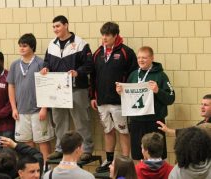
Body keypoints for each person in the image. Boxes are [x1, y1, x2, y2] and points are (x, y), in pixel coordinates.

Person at [40, 15, 94, 161]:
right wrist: (45, 68)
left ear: (66, 25)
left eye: (58, 26)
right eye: (53, 27)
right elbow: (47, 62)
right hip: (57, 89)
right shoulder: (52, 45)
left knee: (81, 121)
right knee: (59, 120)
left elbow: (89, 65)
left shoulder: (80, 43)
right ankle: (60, 148)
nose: (55, 29)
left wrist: (78, 72)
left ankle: (86, 149)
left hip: (77, 88)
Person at [90, 21, 138, 173]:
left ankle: (125, 162)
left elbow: (133, 76)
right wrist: (93, 96)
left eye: (108, 35)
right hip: (102, 101)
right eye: (103, 35)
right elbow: (93, 76)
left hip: (120, 102)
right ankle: (109, 160)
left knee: (123, 131)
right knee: (107, 131)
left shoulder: (126, 52)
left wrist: (127, 93)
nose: (104, 38)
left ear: (115, 36)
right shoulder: (98, 52)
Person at [116, 46, 175, 161]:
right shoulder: (133, 75)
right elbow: (129, 98)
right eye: (139, 58)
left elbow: (171, 98)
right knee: (138, 156)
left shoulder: (161, 76)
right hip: (136, 121)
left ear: (152, 58)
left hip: (154, 120)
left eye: (144, 58)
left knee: (157, 155)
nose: (141, 60)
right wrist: (121, 93)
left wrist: (158, 91)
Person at [7, 33, 54, 162]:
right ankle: (32, 170)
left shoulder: (40, 63)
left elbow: (47, 86)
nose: (21, 48)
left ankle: (45, 170)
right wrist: (13, 108)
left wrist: (44, 107)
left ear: (32, 47)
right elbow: (11, 86)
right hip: (21, 111)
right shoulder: (15, 65)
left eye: (25, 46)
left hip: (38, 110)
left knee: (43, 142)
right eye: (20, 46)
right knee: (27, 144)